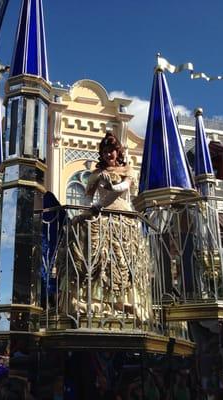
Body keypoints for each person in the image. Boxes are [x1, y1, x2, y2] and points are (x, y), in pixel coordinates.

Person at [59, 131, 151, 322]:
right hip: (101, 216)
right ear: (101, 154)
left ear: (118, 152)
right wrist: (85, 212)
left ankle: (124, 303)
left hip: (122, 217)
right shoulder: (97, 174)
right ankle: (94, 301)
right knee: (95, 256)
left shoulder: (127, 170)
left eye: (112, 151)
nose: (109, 154)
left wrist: (108, 191)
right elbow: (87, 197)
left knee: (122, 260)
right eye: (105, 151)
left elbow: (122, 189)